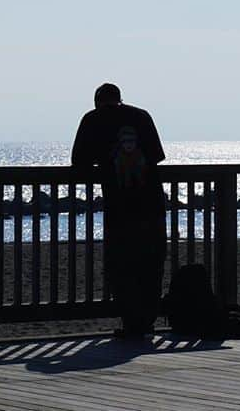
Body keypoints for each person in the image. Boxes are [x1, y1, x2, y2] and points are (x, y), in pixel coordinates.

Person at [72, 83, 166, 337]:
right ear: (120, 99)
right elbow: (156, 156)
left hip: (121, 205)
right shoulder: (142, 116)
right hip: (152, 201)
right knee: (151, 263)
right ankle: (146, 323)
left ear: (97, 102)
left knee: (122, 264)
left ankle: (131, 323)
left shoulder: (93, 119)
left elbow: (78, 161)